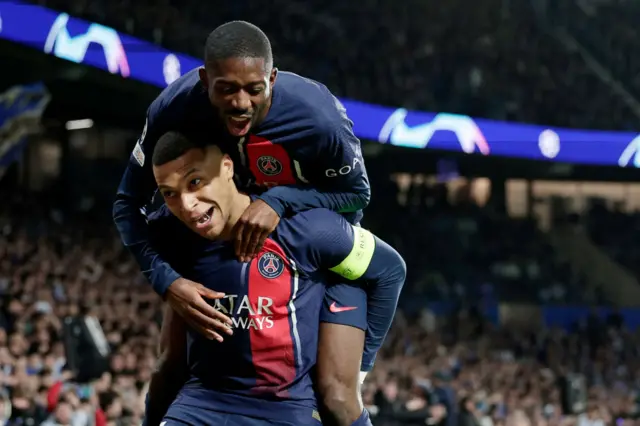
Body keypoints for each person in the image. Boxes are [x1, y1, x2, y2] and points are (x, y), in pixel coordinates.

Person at [114, 20, 403, 424]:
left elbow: (357, 194)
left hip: (317, 251)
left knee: (337, 396)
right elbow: (128, 205)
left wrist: (280, 201)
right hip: (223, 238)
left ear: (273, 78)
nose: (241, 103)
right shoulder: (173, 108)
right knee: (170, 367)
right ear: (204, 80)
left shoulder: (318, 117)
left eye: (254, 89)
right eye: (226, 88)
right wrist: (166, 280)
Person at [142, 132, 406, 426]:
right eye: (169, 193)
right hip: (200, 404)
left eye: (195, 183)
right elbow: (168, 362)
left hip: (286, 410)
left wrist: (361, 368)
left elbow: (390, 270)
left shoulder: (309, 229)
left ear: (227, 168)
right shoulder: (174, 238)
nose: (187, 205)